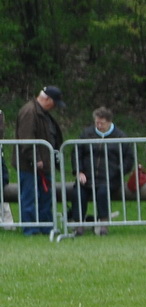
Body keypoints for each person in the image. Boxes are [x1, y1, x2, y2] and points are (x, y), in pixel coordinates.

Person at [70, 107, 136, 235]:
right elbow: (77, 152)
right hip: (87, 176)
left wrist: (118, 172)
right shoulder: (86, 134)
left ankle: (103, 224)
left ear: (109, 122)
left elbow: (129, 158)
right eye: (97, 123)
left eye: (102, 123)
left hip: (109, 179)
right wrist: (79, 171)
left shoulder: (120, 136)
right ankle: (78, 224)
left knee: (102, 193)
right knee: (78, 193)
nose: (99, 126)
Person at [14, 87, 66, 235]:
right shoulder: (29, 112)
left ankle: (46, 227)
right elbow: (26, 138)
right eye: (55, 103)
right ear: (47, 100)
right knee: (29, 198)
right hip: (30, 165)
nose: (55, 107)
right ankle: (31, 230)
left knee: (45, 197)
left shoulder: (42, 112)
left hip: (44, 163)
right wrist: (35, 159)